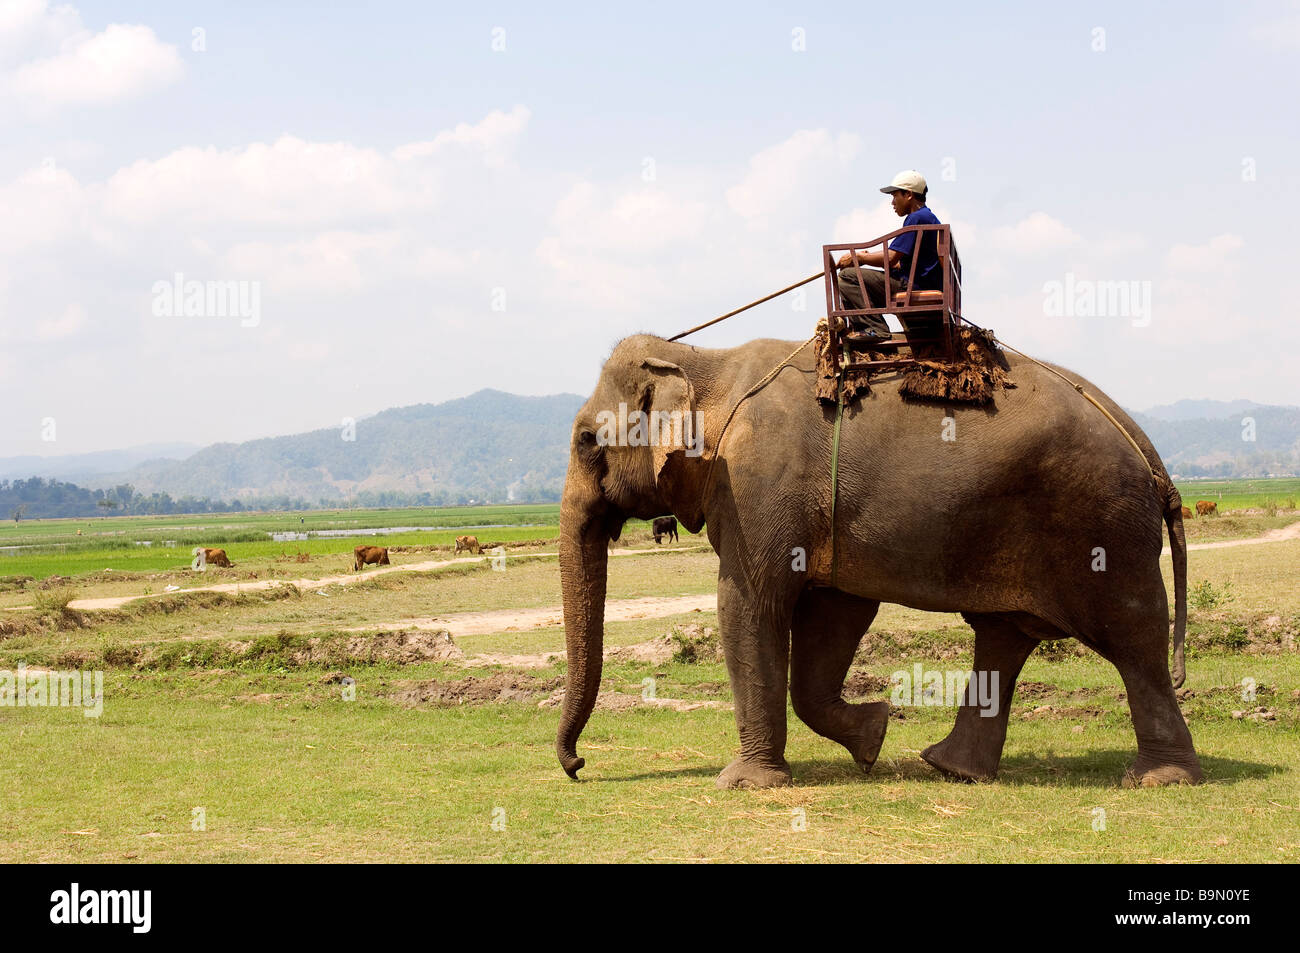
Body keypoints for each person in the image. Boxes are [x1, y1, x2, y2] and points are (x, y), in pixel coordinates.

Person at [835, 170, 943, 337]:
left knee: (847, 277)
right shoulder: (927, 217)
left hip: (913, 284)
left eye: (895, 196)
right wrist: (865, 259)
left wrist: (859, 257)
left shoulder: (916, 219)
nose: (892, 202)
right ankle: (868, 328)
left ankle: (875, 329)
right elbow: (902, 260)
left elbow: (892, 258)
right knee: (853, 278)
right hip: (918, 281)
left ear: (908, 194)